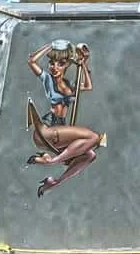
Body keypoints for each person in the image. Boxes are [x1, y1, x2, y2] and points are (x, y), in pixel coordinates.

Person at [26, 40, 104, 198]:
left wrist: (83, 64)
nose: (55, 67)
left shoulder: (69, 85)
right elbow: (31, 60)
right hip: (46, 131)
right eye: (52, 63)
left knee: (90, 155)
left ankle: (54, 182)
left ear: (67, 65)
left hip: (59, 134)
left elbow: (88, 86)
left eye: (60, 64)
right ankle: (51, 161)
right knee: (94, 137)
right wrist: (51, 44)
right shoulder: (47, 80)